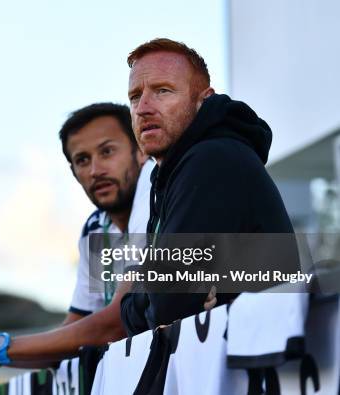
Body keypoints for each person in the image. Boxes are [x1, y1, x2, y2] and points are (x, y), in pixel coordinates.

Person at [0, 103, 154, 367]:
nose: (95, 170)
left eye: (107, 151)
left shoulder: (155, 189)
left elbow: (118, 323)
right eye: (82, 160)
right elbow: (73, 334)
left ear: (142, 151)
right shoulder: (97, 227)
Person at [120, 38, 295, 334]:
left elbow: (167, 304)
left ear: (202, 99)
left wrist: (151, 287)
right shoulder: (166, 174)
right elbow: (142, 311)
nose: (143, 108)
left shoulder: (212, 159)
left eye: (163, 91)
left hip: (262, 366)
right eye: (135, 96)